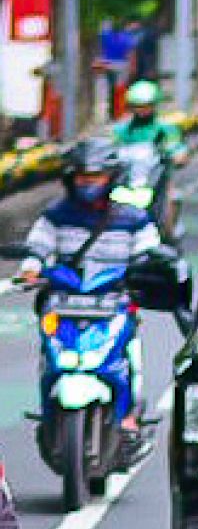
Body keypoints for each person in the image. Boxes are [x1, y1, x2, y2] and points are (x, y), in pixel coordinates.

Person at [19, 139, 161, 438]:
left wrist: (146, 270)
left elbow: (150, 251)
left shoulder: (133, 218)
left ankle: (129, 414)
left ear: (111, 177)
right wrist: (32, 267)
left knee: (125, 353)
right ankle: (48, 417)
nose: (88, 183)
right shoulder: (56, 215)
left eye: (95, 177)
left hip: (114, 302)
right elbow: (38, 247)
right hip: (64, 302)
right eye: (83, 176)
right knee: (51, 355)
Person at [113, 80, 189, 240]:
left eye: (146, 105)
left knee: (173, 197)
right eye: (137, 106)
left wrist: (176, 155)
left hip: (155, 181)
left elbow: (178, 150)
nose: (141, 110)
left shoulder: (165, 129)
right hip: (126, 182)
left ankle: (169, 235)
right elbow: (109, 149)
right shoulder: (121, 130)